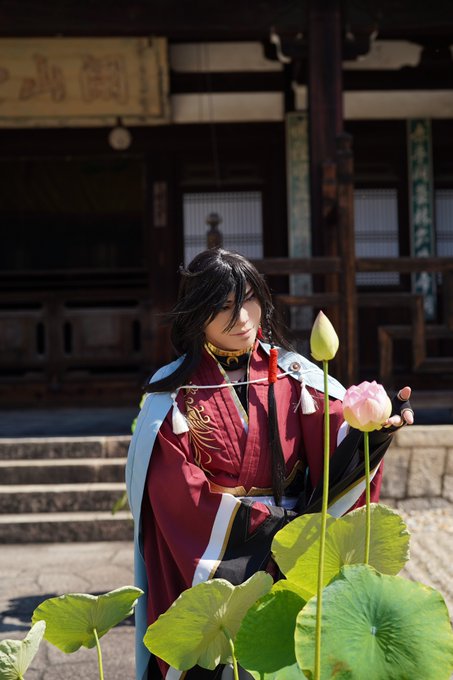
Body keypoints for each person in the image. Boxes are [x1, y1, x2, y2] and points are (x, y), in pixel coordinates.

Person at [126, 248, 414, 680]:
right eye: (224, 306)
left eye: (249, 299)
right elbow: (178, 496)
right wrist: (271, 529)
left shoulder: (295, 376)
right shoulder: (171, 397)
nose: (242, 318)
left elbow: (337, 431)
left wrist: (373, 429)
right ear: (196, 313)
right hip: (219, 556)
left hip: (292, 553)